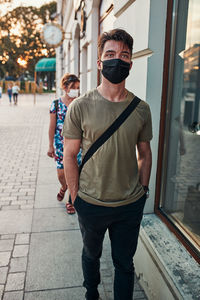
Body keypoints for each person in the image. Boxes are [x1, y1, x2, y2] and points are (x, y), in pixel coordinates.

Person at [63, 29, 153, 300]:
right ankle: (91, 292)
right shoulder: (79, 106)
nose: (118, 60)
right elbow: (69, 154)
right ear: (100, 62)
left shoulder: (141, 108)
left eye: (124, 55)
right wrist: (76, 195)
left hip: (129, 205)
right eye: (110, 54)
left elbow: (145, 153)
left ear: (131, 63)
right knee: (91, 254)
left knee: (124, 264)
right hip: (91, 203)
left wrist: (143, 191)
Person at [47, 73, 81, 214]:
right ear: (65, 88)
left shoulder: (80, 103)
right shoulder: (56, 104)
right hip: (61, 146)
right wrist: (50, 145)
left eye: (78, 87)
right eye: (74, 87)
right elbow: (52, 126)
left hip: (77, 145)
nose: (76, 90)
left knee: (75, 173)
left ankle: (70, 200)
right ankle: (63, 187)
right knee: (62, 175)